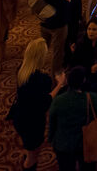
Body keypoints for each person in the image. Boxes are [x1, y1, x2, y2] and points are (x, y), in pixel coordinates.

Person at [10, 38, 66, 171]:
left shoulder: (21, 70)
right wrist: (60, 85)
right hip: (32, 122)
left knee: (30, 147)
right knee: (32, 157)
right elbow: (46, 102)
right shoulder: (42, 79)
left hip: (19, 116)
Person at [49, 66, 97, 171]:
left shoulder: (58, 100)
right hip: (85, 143)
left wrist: (51, 139)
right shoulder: (91, 97)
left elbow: (52, 121)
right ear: (83, 81)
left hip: (63, 143)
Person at [37, 0, 71, 75]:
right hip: (58, 24)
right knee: (57, 52)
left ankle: (36, 71)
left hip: (44, 22)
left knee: (42, 49)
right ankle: (55, 77)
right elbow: (63, 5)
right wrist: (67, 0)